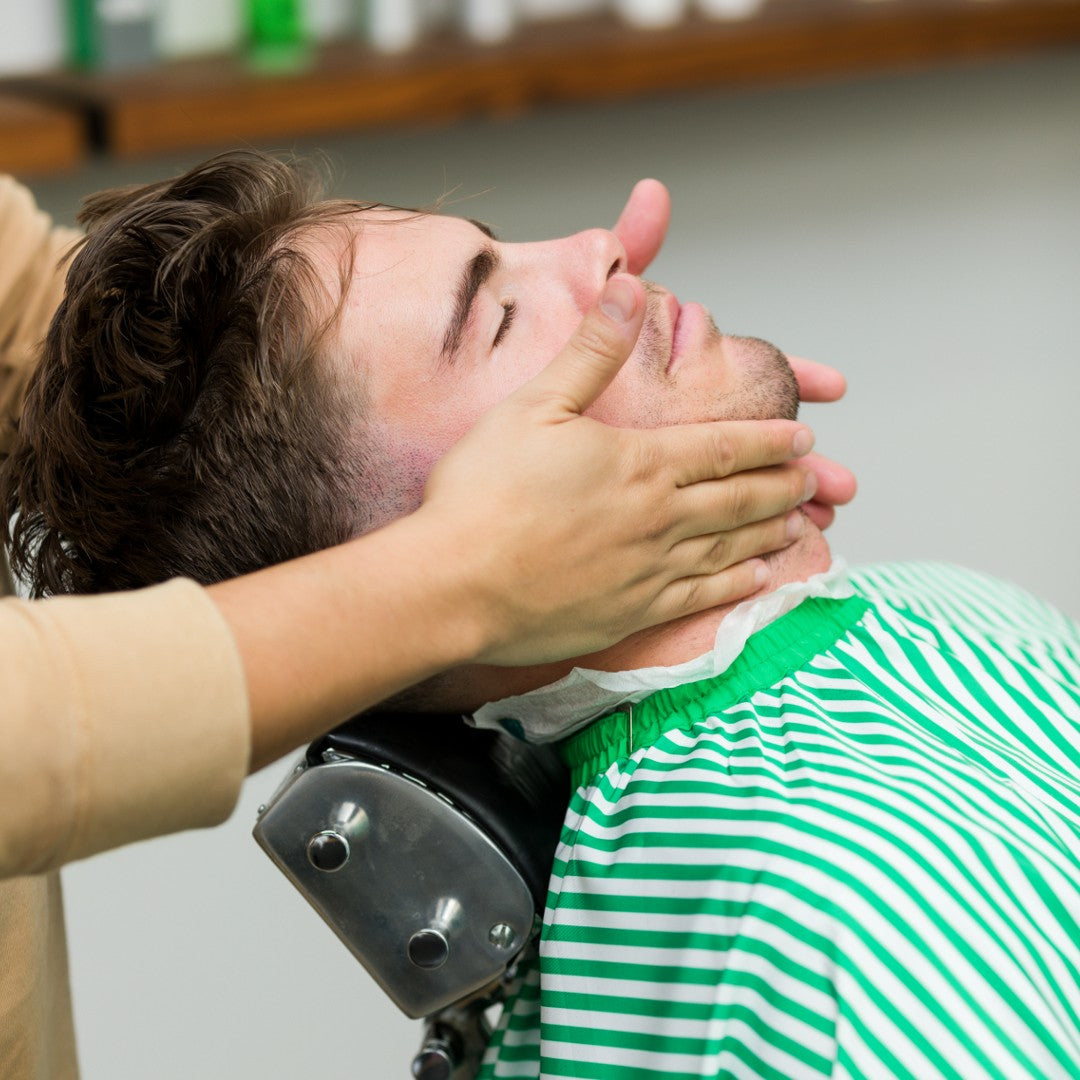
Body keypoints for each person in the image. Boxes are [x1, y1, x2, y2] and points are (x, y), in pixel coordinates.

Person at [8, 152, 1079, 1080]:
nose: (598, 247)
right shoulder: (817, 929)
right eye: (500, 314)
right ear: (433, 536)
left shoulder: (956, 622)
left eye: (501, 246)